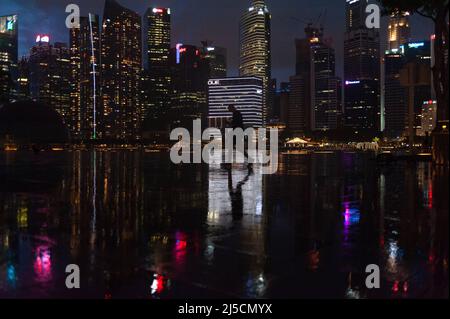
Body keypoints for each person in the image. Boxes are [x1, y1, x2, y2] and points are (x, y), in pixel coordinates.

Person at [225, 105, 252, 170]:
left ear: (232, 108)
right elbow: (237, 123)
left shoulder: (236, 113)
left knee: (231, 146)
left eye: (229, 108)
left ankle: (228, 163)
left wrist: (228, 122)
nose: (228, 110)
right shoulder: (237, 113)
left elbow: (236, 123)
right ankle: (250, 159)